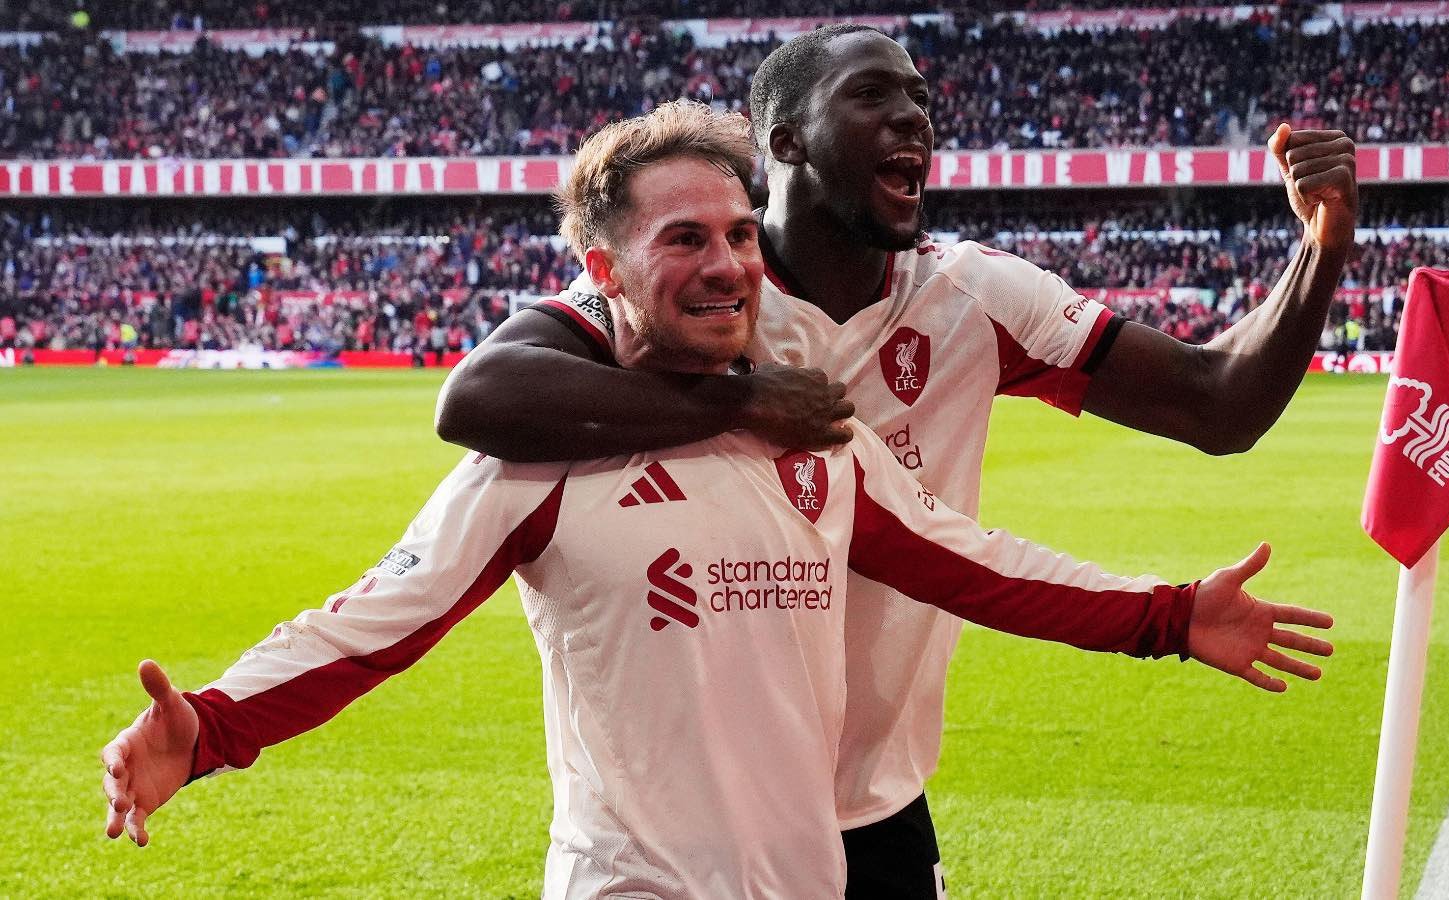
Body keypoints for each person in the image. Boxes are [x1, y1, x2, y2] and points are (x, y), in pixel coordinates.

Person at [101, 102, 1333, 897]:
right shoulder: (540, 460)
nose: (728, 263)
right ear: (603, 271)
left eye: (740, 235)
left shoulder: (814, 437)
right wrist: (206, 731)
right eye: (683, 239)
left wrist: (1171, 615)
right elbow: (378, 619)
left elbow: (972, 560)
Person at [436, 27, 1359, 897]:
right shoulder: (700, 292)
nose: (912, 116)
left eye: (919, 98)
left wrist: (1320, 251)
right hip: (690, 825)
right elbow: (481, 395)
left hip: (878, 801)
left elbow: (1217, 404)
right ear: (787, 142)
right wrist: (742, 402)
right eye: (872, 95)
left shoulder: (974, 295)